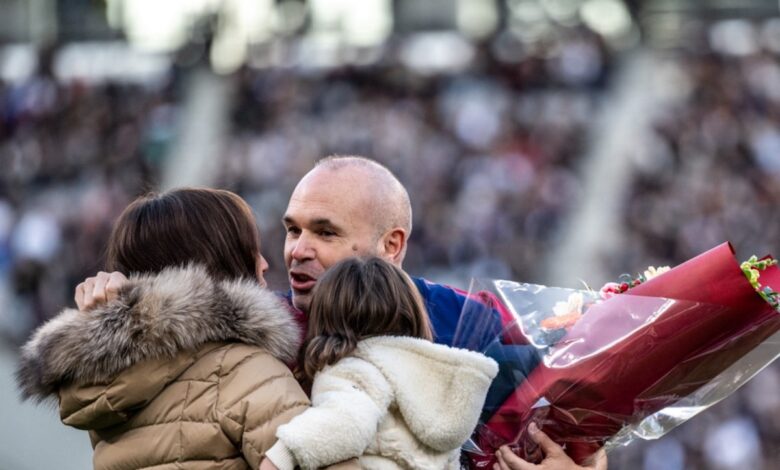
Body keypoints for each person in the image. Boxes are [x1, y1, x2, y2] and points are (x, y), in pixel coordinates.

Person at [77, 156, 606, 469]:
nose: (295, 250)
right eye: (291, 229)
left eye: (324, 232)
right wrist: (123, 308)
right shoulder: (251, 339)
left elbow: (564, 433)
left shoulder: (472, 325)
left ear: (391, 244)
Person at [16, 188, 311, 469]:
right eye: (250, 251)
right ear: (216, 264)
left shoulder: (107, 381)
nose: (265, 263)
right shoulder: (246, 372)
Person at [260, 256, 498, 470]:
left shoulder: (354, 370)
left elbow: (346, 423)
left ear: (326, 319)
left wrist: (280, 456)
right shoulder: (434, 380)